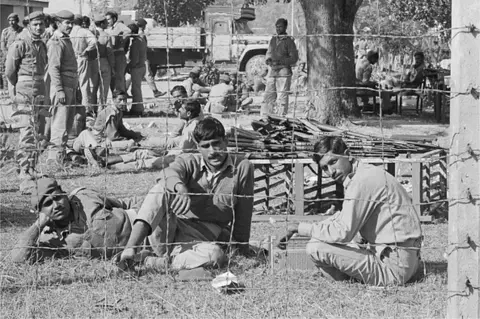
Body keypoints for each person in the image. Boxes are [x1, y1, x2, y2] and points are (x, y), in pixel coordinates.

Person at [278, 136, 422, 286]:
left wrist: (299, 228)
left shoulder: (361, 182)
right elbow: (343, 218)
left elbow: (343, 232)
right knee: (332, 239)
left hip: (394, 268)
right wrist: (301, 226)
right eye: (324, 168)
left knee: (315, 248)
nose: (331, 172)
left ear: (348, 154)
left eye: (333, 162)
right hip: (405, 259)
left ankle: (349, 281)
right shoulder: (363, 174)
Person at [119, 117, 255, 271]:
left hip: (198, 243)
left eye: (216, 143)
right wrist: (180, 188)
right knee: (161, 188)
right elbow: (168, 173)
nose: (212, 151)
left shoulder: (242, 168)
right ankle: (131, 249)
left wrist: (242, 249)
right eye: (206, 146)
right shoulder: (189, 161)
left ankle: (152, 262)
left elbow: (244, 213)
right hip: (169, 231)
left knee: (215, 256)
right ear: (198, 147)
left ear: (226, 141)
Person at [11, 177, 139, 263]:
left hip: (146, 228)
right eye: (48, 203)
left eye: (57, 197)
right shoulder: (52, 242)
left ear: (64, 193)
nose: (56, 205)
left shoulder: (85, 196)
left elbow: (126, 203)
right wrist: (37, 226)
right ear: (40, 213)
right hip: (137, 254)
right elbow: (18, 258)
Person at [4, 11, 48, 194]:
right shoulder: (20, 43)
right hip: (24, 88)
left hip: (39, 88)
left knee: (38, 130)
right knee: (27, 131)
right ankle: (23, 169)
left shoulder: (41, 44)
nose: (39, 27)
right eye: (35, 24)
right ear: (28, 25)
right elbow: (9, 71)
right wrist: (16, 90)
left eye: (41, 24)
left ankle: (32, 166)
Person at [47, 10, 83, 165]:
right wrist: (60, 90)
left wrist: (78, 88)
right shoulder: (56, 41)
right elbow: (53, 68)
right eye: (67, 23)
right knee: (59, 124)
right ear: (58, 23)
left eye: (71, 23)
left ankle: (61, 156)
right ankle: (54, 159)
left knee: (67, 124)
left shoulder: (66, 40)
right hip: (61, 87)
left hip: (70, 86)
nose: (70, 26)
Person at [262, 18, 298, 118]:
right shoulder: (273, 39)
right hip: (273, 71)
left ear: (285, 27)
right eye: (276, 27)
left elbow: (294, 58)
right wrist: (268, 59)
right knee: (268, 95)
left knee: (282, 96)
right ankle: (266, 117)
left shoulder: (289, 41)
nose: (278, 29)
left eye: (280, 26)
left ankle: (281, 118)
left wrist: (280, 61)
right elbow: (268, 52)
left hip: (283, 72)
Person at [70, 14, 97, 113]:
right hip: (82, 57)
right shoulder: (85, 31)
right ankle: (87, 107)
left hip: (72, 58)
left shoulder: (70, 32)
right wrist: (86, 50)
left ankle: (74, 105)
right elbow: (94, 41)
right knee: (84, 83)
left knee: (73, 83)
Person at [136, 18, 166, 98]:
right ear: (143, 26)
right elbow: (141, 46)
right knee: (148, 74)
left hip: (139, 57)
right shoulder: (141, 34)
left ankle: (124, 90)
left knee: (133, 75)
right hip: (142, 57)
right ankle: (155, 91)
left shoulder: (138, 33)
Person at [105, 11, 131, 96]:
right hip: (110, 54)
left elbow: (128, 31)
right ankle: (115, 97)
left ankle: (122, 100)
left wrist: (122, 40)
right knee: (112, 78)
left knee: (119, 77)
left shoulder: (119, 25)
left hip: (119, 54)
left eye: (109, 19)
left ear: (114, 19)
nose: (107, 21)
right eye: (106, 19)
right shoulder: (107, 28)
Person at [91, 14, 115, 107]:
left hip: (93, 62)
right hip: (104, 61)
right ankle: (102, 107)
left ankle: (92, 109)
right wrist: (112, 67)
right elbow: (109, 52)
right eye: (105, 22)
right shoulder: (106, 35)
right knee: (104, 88)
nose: (107, 24)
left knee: (93, 88)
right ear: (101, 24)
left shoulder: (91, 34)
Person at [125, 23, 147, 115]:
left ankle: (138, 109)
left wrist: (128, 66)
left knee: (135, 89)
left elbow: (135, 59)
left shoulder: (135, 43)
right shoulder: (141, 39)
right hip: (141, 66)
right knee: (136, 88)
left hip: (136, 68)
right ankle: (137, 108)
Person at [1, 13, 24, 98]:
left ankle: (18, 93)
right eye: (10, 21)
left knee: (19, 75)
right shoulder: (5, 31)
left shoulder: (22, 30)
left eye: (13, 20)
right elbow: (3, 45)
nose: (11, 22)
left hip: (20, 57)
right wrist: (8, 56)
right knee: (8, 74)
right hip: (9, 57)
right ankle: (9, 94)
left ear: (17, 21)